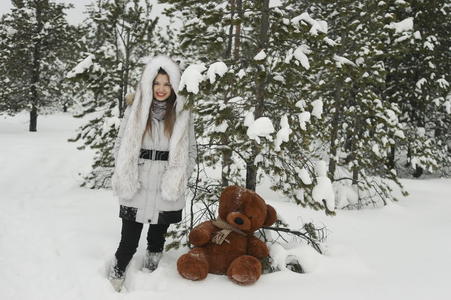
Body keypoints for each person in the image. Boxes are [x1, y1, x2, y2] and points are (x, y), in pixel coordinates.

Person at [108, 55, 196, 292]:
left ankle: (151, 276)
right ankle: (117, 272)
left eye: (167, 84)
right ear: (149, 84)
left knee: (157, 239)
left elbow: (191, 150)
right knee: (128, 239)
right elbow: (120, 144)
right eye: (157, 83)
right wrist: (124, 168)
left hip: (166, 182)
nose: (161, 89)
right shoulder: (135, 109)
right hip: (136, 180)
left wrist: (181, 174)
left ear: (174, 86)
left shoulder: (182, 113)